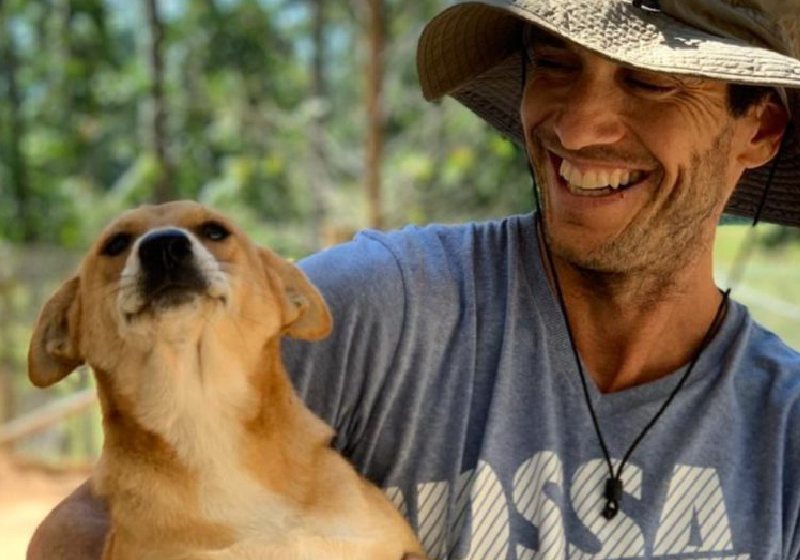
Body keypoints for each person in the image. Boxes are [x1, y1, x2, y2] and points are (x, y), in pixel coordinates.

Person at [28, 0, 800, 558]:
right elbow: (89, 525)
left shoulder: (783, 433)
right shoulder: (385, 305)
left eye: (651, 82)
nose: (575, 126)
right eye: (557, 65)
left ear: (759, 127)